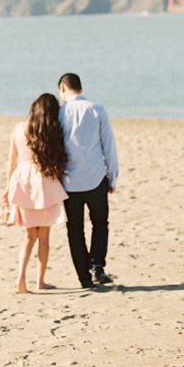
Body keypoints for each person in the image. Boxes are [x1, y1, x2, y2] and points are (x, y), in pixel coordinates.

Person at [2, 93, 69, 294]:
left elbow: (11, 158)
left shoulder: (18, 128)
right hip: (44, 181)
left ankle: (20, 278)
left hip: (22, 179)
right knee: (44, 236)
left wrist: (8, 187)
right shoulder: (50, 131)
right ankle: (40, 281)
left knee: (29, 236)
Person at [57, 72, 118, 288]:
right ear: (81, 90)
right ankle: (97, 267)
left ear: (62, 89)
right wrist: (112, 175)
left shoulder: (58, 113)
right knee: (100, 223)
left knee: (75, 229)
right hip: (95, 177)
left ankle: (84, 278)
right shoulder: (97, 110)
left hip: (68, 182)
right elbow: (108, 145)